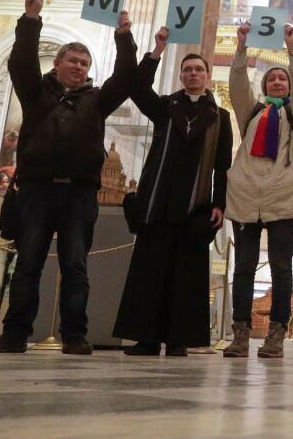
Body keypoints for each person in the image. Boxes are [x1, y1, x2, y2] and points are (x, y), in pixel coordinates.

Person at [0, 0, 136, 355]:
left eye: (84, 64)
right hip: (36, 190)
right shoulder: (36, 93)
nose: (79, 68)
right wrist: (31, 18)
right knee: (27, 266)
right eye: (73, 61)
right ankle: (15, 334)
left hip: (80, 193)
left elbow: (127, 78)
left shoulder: (97, 100)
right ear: (58, 63)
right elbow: (19, 62)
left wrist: (124, 36)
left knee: (76, 268)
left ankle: (74, 335)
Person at [113, 27, 233, 357]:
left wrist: (220, 204)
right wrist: (156, 51)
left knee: (186, 274)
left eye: (199, 69)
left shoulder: (221, 118)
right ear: (181, 75)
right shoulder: (165, 107)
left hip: (194, 205)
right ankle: (146, 339)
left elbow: (223, 166)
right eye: (188, 69)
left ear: (208, 76)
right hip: (157, 199)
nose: (193, 74)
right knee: (149, 272)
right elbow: (137, 87)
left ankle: (178, 339)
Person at [221, 21, 293, 359]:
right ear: (265, 85)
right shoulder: (252, 112)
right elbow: (237, 85)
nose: (277, 81)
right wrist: (241, 49)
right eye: (272, 78)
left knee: (281, 268)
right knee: (243, 268)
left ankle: (276, 334)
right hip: (246, 197)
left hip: (282, 198)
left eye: (282, 78)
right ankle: (241, 333)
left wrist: (292, 52)